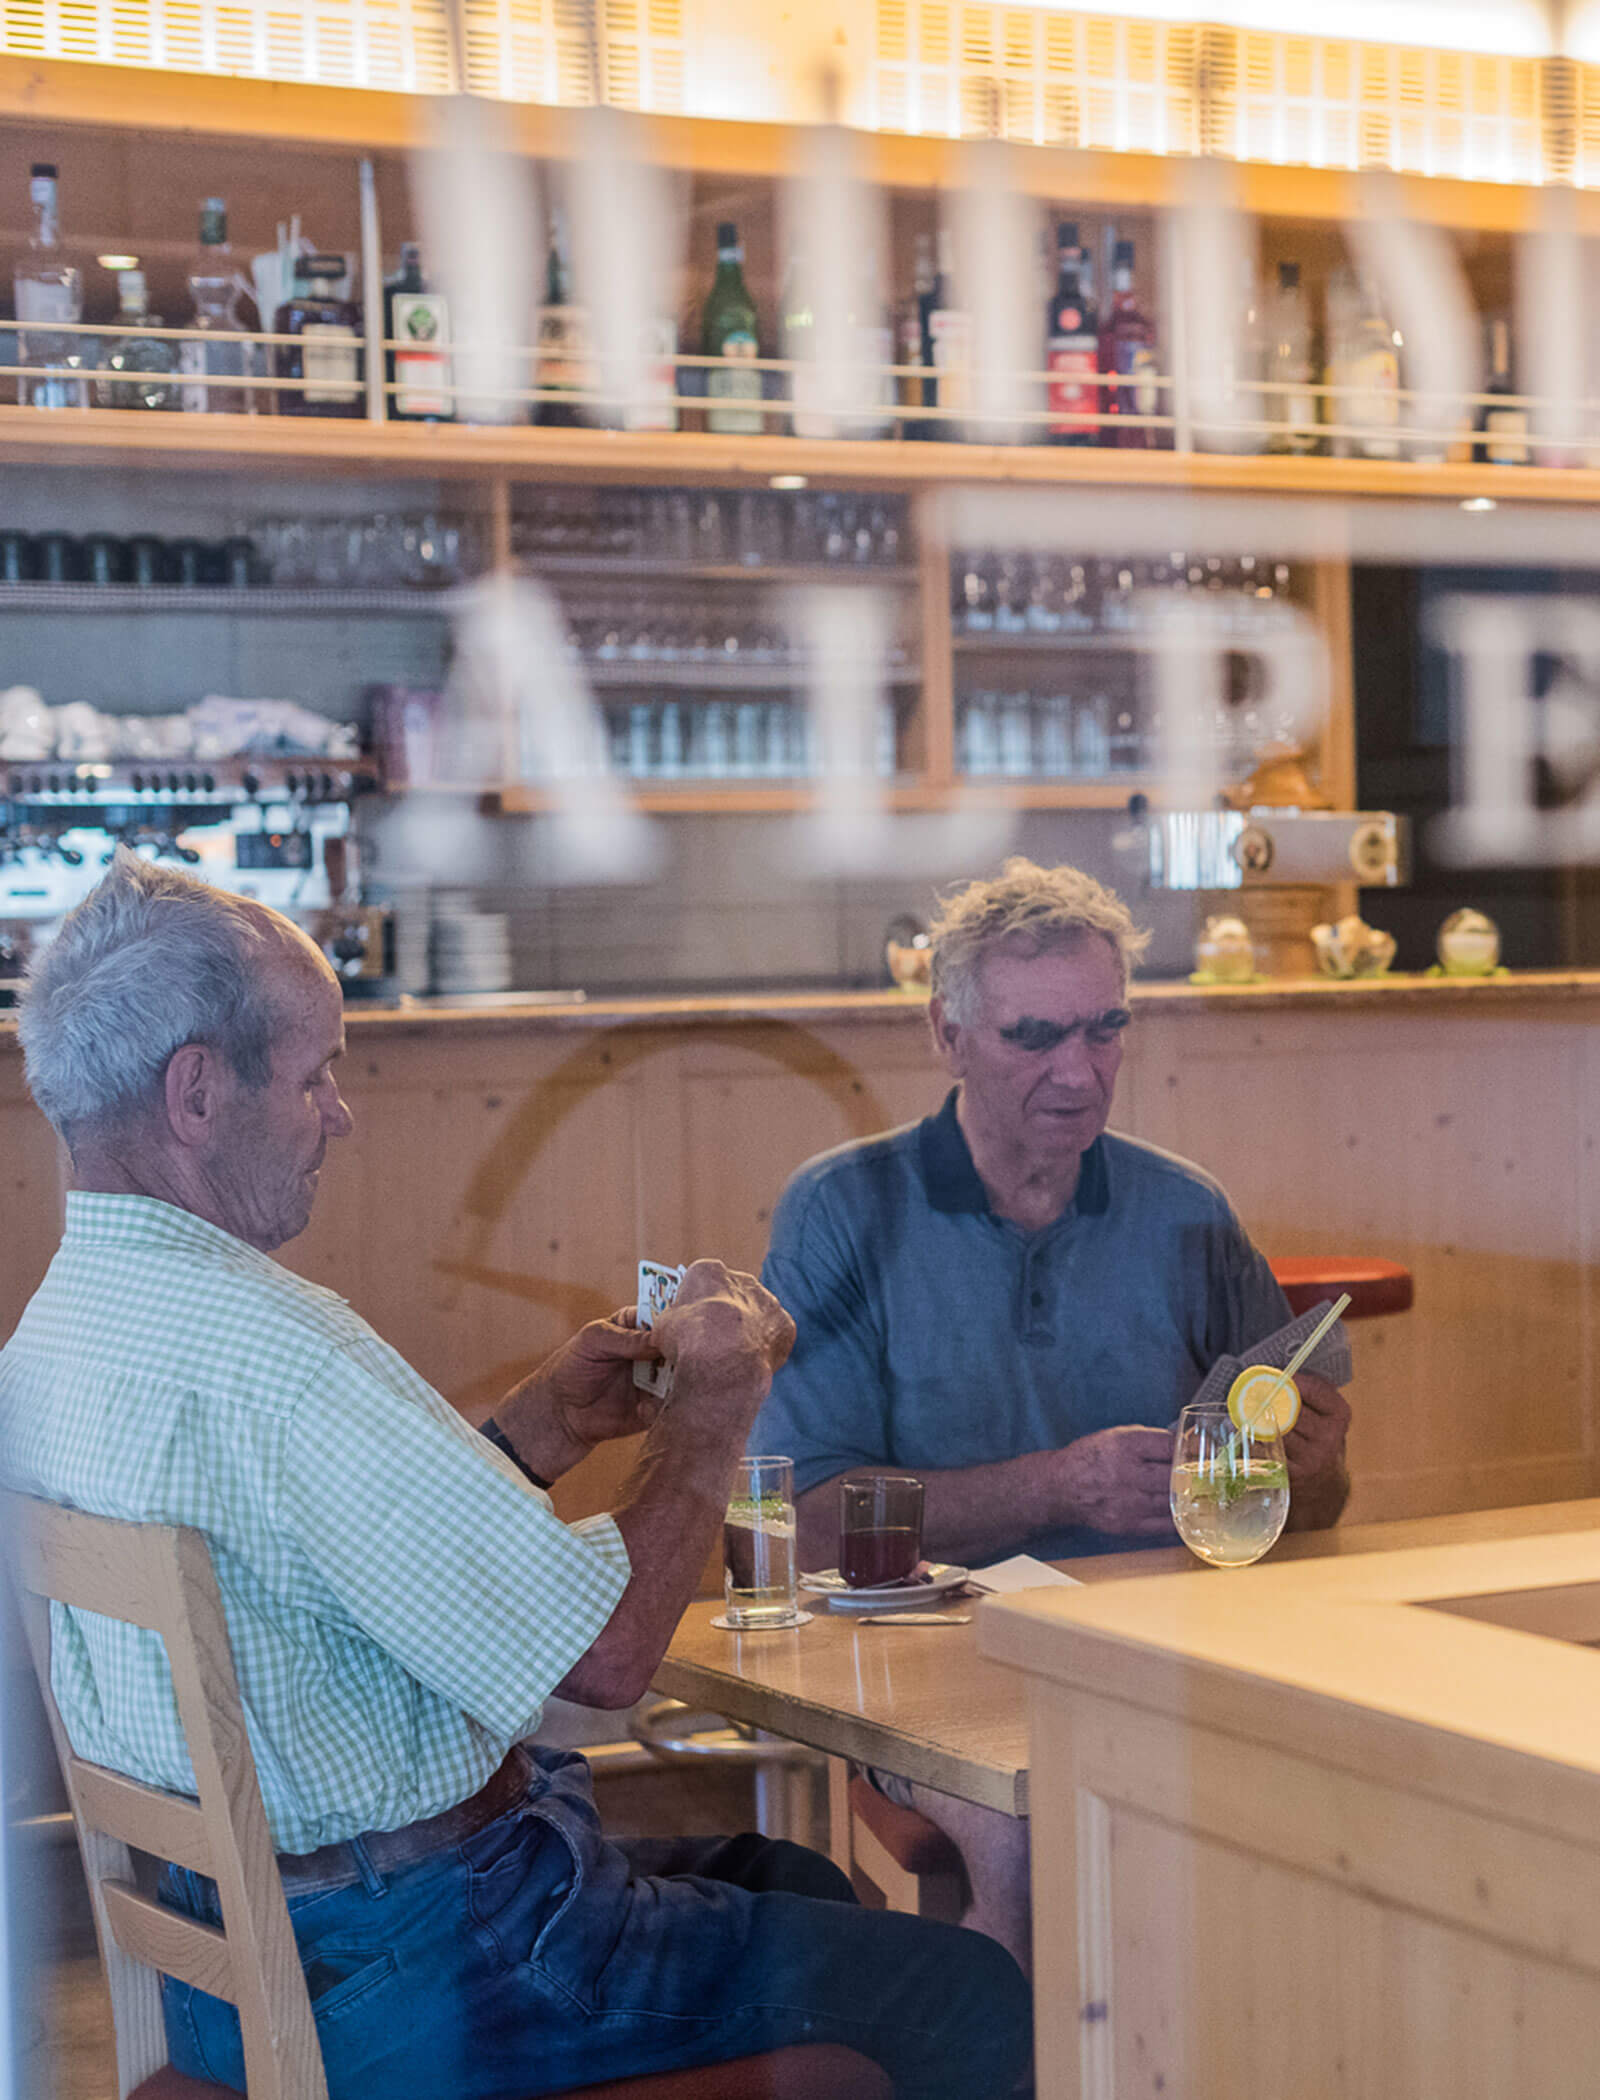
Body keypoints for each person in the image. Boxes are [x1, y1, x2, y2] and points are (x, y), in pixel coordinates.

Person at [0, 852, 1030, 2100]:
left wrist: (536, 1429)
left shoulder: (54, 1338)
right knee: (966, 1995)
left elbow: (327, 1561)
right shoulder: (280, 1353)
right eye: (316, 1074)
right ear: (198, 1091)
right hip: (430, 1967)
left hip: (236, 1960)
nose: (339, 1115)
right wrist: (711, 1414)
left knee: (794, 1879)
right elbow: (603, 1660)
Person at [749, 857, 1352, 1967]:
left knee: (1347, 1795)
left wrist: (1310, 1466)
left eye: (1105, 1028)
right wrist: (1057, 1486)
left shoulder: (1185, 1208)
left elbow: (1310, 1507)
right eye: (1034, 1036)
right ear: (948, 1034)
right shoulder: (842, 1208)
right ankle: (1018, 2043)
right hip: (933, 1659)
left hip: (1164, 1645)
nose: (1079, 1071)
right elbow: (810, 1523)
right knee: (1037, 1832)